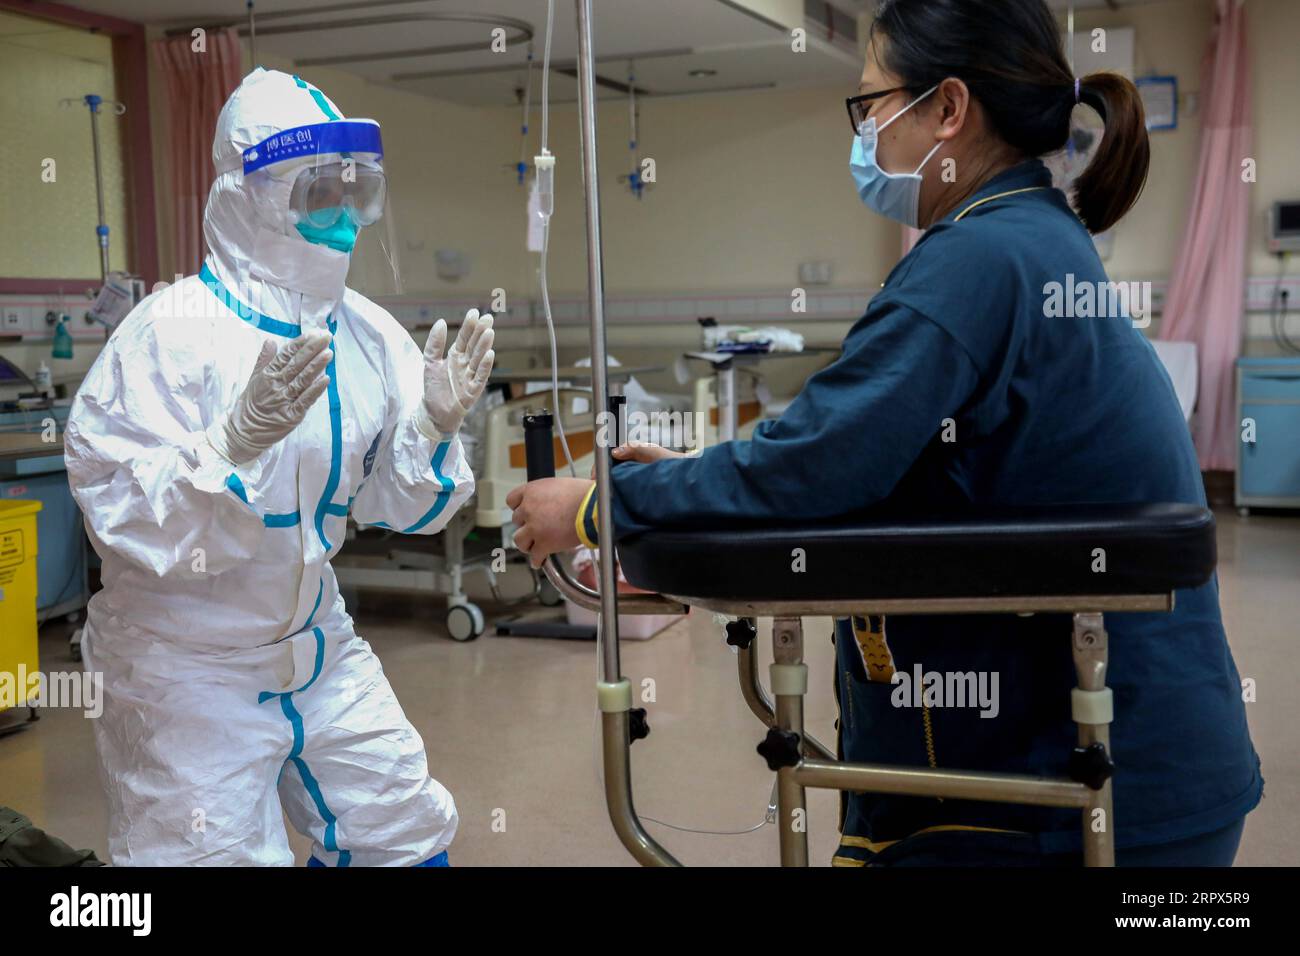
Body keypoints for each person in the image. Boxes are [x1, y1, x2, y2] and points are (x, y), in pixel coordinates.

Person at [507, 0, 1261, 866]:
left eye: (871, 106)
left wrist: (604, 506)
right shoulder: (1036, 238)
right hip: (1150, 771)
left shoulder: (975, 262)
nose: (864, 133)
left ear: (947, 109)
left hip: (1086, 796)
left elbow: (818, 469)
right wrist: (700, 478)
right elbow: (897, 460)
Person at [65, 68, 495, 867]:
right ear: (251, 195)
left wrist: (433, 427)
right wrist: (226, 451)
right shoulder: (168, 335)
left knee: (399, 827)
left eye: (357, 191)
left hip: (316, 638)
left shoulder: (368, 336)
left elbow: (403, 510)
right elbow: (119, 511)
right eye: (317, 192)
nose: (343, 218)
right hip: (184, 665)